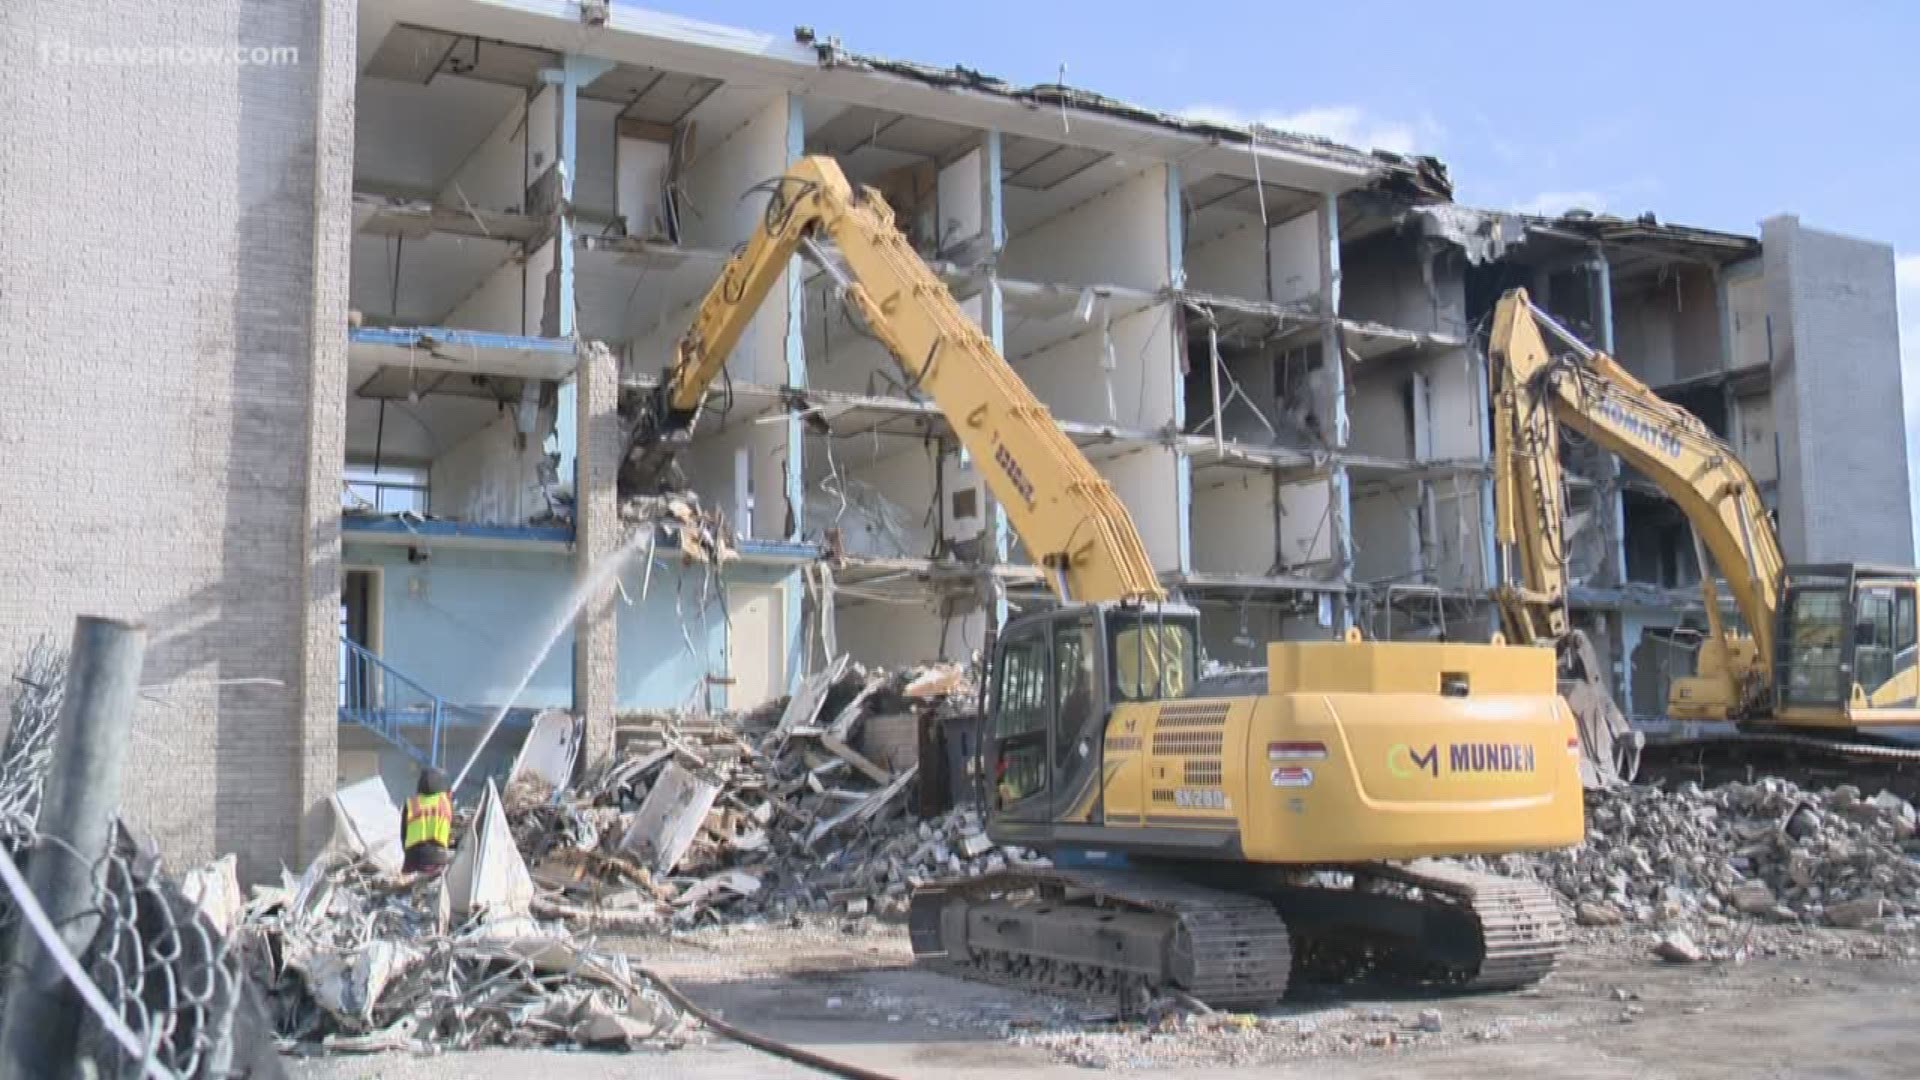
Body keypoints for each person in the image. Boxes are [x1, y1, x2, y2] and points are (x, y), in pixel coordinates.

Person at [401, 767, 455, 874]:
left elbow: (403, 835)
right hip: (437, 856)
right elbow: (449, 830)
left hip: (413, 857)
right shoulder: (445, 803)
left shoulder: (411, 803)